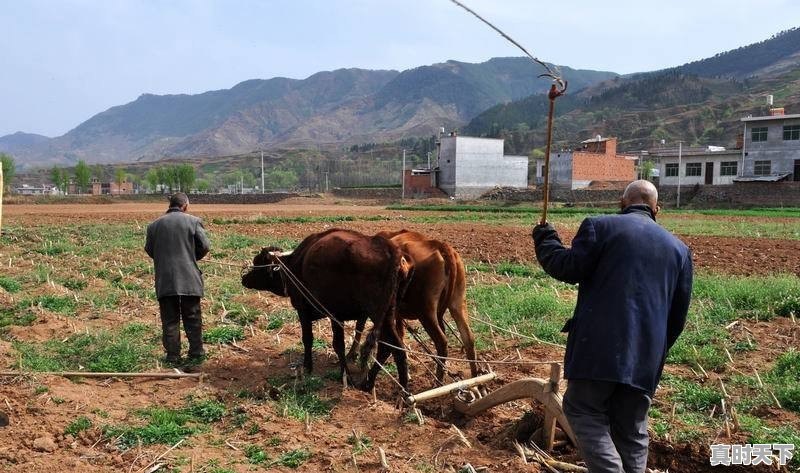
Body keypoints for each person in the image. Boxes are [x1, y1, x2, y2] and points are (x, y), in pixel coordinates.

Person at [531, 180, 693, 473]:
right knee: (631, 432)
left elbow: (567, 267)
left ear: (622, 202)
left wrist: (545, 238)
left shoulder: (599, 227)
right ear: (658, 209)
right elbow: (677, 318)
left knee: (583, 410)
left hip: (598, 351)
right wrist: (652, 349)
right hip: (645, 359)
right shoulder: (679, 250)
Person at [145, 192, 211, 368]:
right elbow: (205, 246)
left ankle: (173, 356)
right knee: (193, 316)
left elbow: (150, 250)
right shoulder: (193, 221)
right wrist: (191, 257)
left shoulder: (153, 226)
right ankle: (196, 352)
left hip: (165, 279)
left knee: (170, 319)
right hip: (189, 277)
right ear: (185, 206)